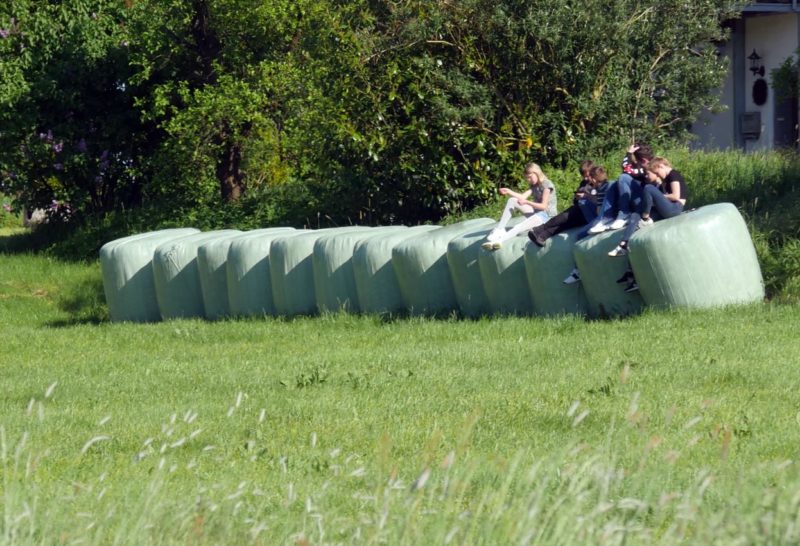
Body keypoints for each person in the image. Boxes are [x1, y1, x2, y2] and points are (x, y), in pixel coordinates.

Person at [608, 157, 688, 290]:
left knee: (649, 189)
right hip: (665, 208)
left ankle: (645, 217)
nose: (658, 175)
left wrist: (654, 197)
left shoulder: (674, 174)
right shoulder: (663, 180)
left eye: (657, 172)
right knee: (635, 215)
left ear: (661, 166)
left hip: (675, 208)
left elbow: (675, 196)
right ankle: (625, 251)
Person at [528, 164, 609, 247]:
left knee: (565, 225)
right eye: (585, 176)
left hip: (587, 215)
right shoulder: (585, 183)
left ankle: (543, 236)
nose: (587, 179)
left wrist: (586, 196)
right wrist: (578, 197)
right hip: (580, 208)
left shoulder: (603, 187)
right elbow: (577, 199)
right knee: (562, 218)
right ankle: (538, 230)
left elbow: (598, 201)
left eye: (588, 176)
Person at [482, 162, 557, 250]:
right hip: (537, 213)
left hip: (547, 217)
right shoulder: (534, 185)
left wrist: (527, 202)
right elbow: (522, 197)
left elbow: (543, 206)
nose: (528, 180)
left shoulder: (547, 185)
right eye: (527, 178)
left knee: (519, 226)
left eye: (529, 177)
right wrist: (509, 191)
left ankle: (499, 241)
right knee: (512, 200)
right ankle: (500, 229)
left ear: (536, 173)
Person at [587, 143, 653, 234]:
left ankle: (624, 213)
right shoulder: (639, 166)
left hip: (644, 203)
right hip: (635, 200)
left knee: (623, 177)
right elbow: (627, 168)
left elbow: (627, 170)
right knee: (613, 183)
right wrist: (629, 154)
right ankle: (607, 217)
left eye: (640, 160)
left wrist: (629, 154)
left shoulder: (650, 166)